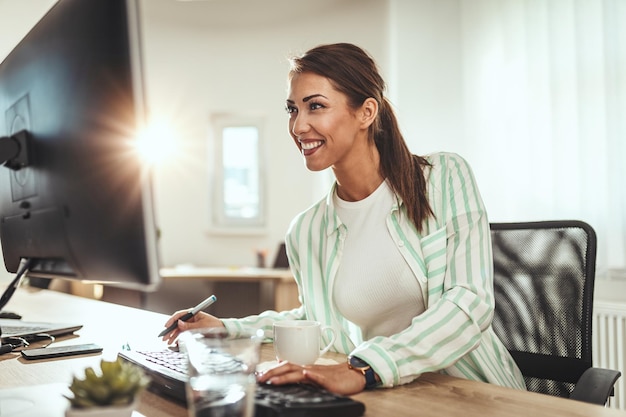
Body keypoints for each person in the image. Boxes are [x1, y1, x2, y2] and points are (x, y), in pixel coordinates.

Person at [161, 42, 526, 395]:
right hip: (393, 396)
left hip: (477, 394)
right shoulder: (306, 230)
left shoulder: (444, 178)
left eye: (315, 106)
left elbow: (469, 303)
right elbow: (320, 322)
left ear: (366, 112)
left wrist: (364, 368)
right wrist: (227, 328)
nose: (299, 126)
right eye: (292, 109)